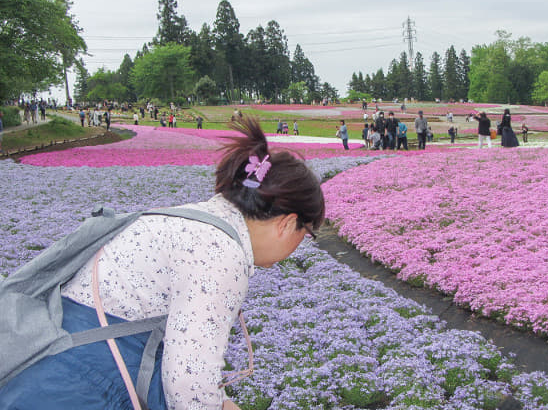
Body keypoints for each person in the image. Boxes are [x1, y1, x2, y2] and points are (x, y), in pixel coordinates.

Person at [0, 117, 324, 410]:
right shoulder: (221, 252)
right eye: (307, 233)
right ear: (287, 223)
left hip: (51, 371)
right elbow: (188, 386)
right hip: (80, 385)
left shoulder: (199, 222)